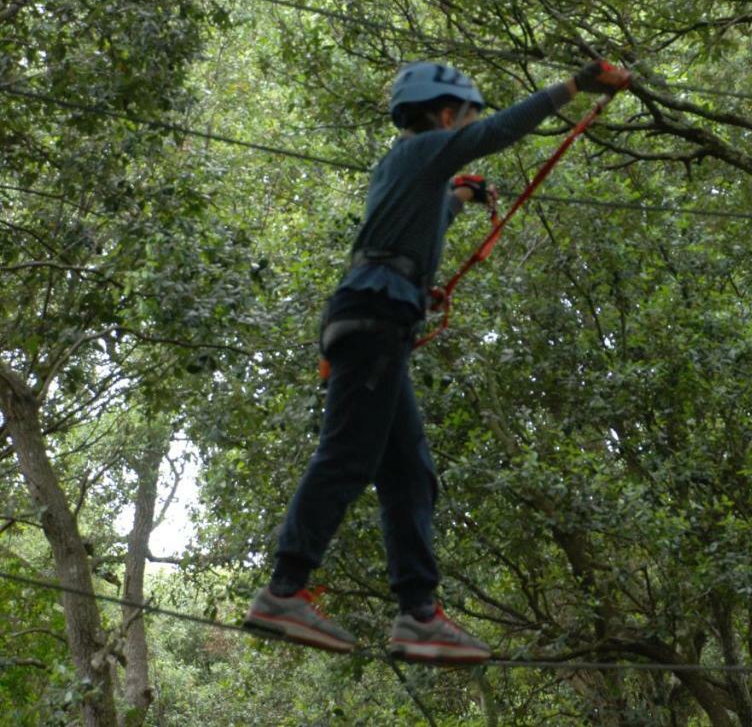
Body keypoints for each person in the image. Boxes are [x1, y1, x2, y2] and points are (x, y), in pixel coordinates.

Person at [243, 59, 631, 663]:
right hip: (375, 319)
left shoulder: (407, 173)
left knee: (408, 472)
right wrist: (576, 85)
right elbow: (498, 133)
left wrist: (460, 197)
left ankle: (418, 614)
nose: (467, 131)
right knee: (348, 455)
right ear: (446, 116)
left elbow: (416, 223)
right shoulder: (423, 150)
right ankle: (284, 589)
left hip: (378, 320)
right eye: (464, 121)